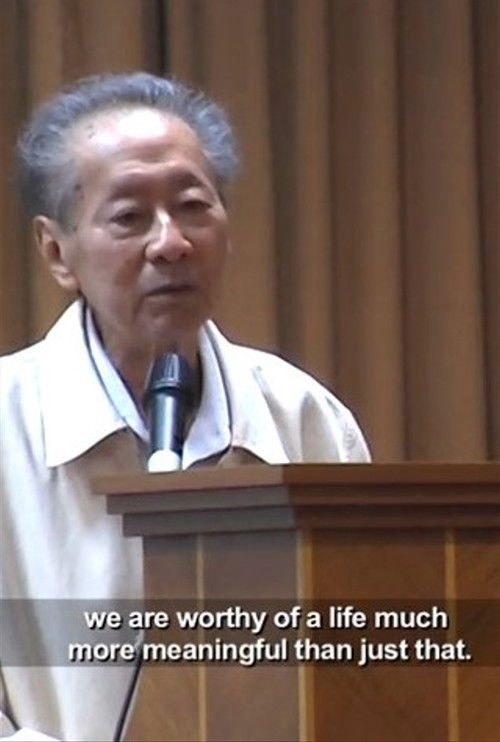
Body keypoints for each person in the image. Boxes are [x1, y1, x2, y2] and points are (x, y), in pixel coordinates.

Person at [0, 72, 370, 741]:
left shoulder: (305, 419)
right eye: (129, 217)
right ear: (57, 251)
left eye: (194, 206)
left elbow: (367, 662)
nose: (171, 242)